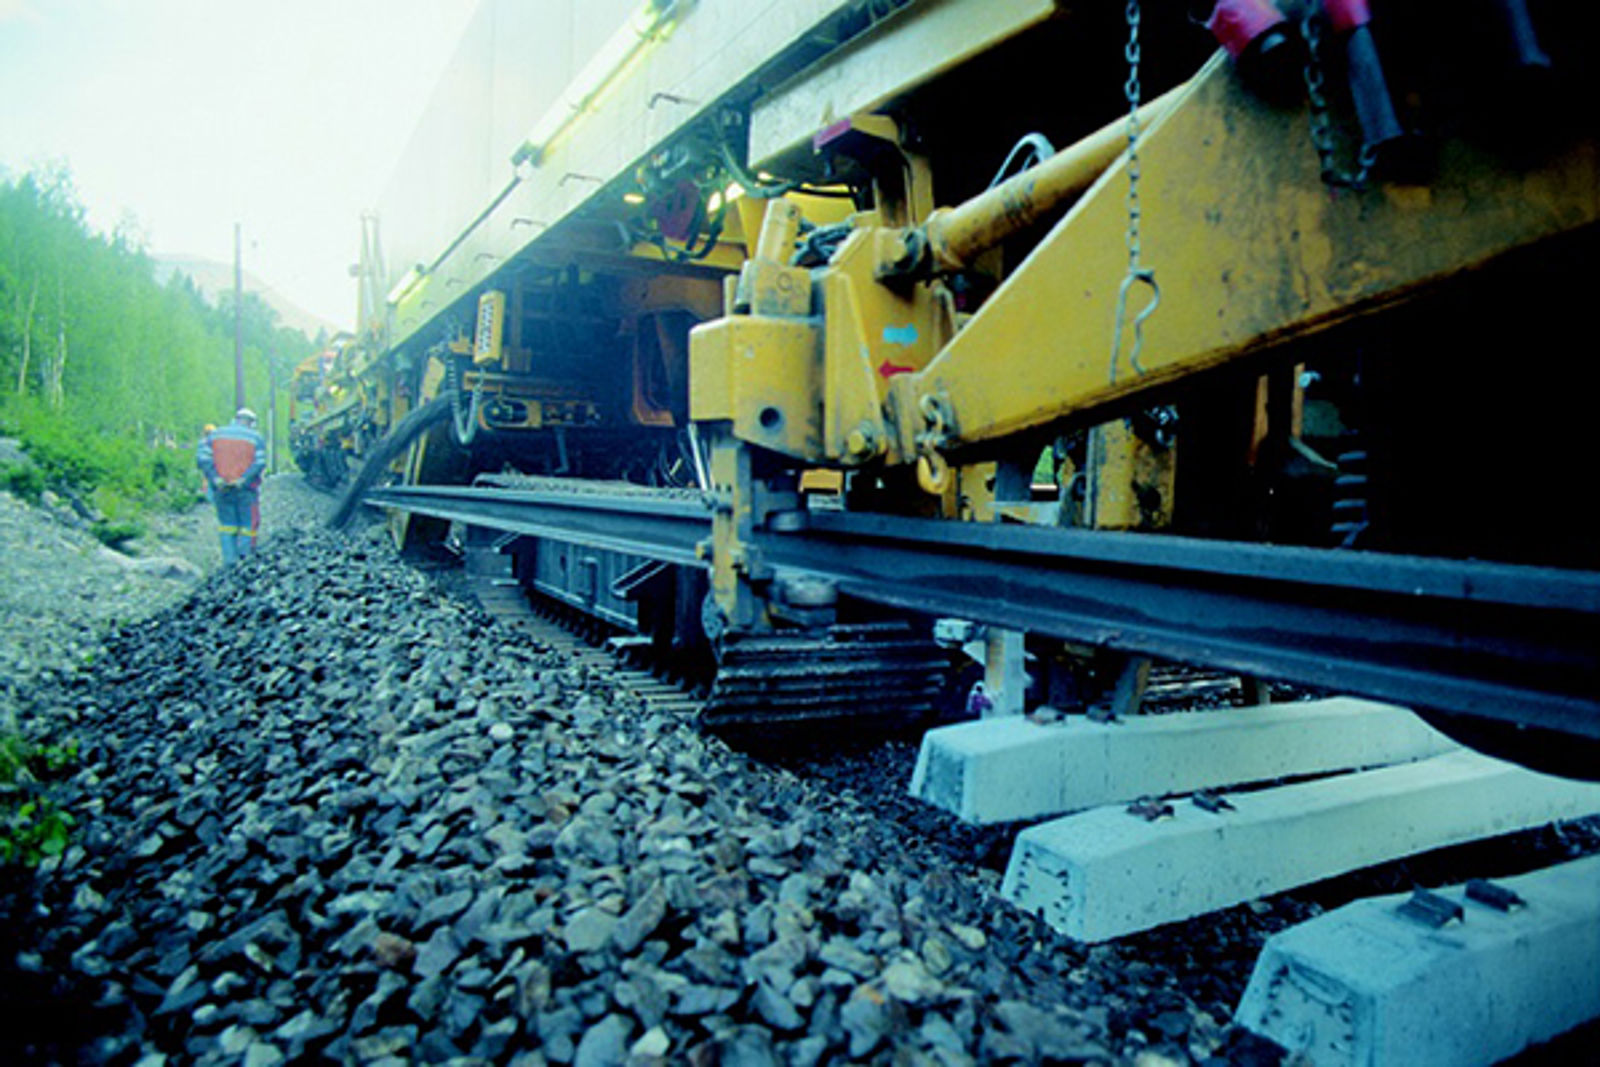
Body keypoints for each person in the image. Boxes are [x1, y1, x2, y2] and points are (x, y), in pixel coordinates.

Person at [198, 408, 266, 564]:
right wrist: (243, 479)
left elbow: (202, 458)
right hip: (245, 489)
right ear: (251, 423)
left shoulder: (216, 434)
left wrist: (215, 478)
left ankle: (229, 562)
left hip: (221, 488)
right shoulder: (256, 438)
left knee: (227, 526)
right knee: (247, 526)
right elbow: (260, 463)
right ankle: (245, 561)